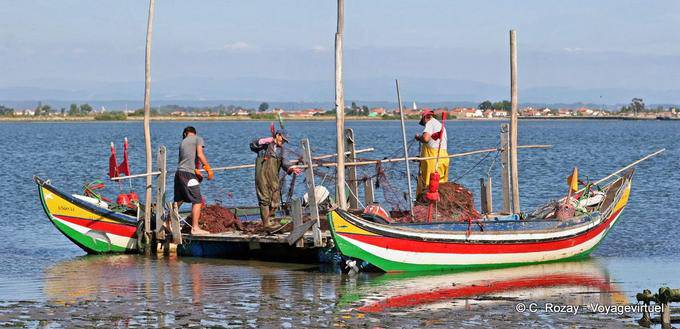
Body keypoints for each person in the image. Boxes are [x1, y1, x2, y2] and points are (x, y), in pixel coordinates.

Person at [250, 130, 302, 229]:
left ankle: (271, 220)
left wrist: (291, 168)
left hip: (274, 178)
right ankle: (266, 224)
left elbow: (285, 162)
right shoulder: (263, 147)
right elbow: (252, 146)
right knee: (264, 200)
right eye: (282, 139)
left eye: (285, 141)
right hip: (262, 177)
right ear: (277, 135)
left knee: (275, 202)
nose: (283, 142)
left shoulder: (281, 150)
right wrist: (261, 141)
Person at [174, 126, 214, 235]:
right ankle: (195, 228)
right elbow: (200, 155)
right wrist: (208, 168)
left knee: (179, 200)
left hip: (179, 173)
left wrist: (197, 172)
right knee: (197, 200)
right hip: (188, 174)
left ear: (185, 133)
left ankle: (168, 222)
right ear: (193, 133)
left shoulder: (182, 143)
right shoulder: (197, 138)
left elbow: (186, 160)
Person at [414, 109, 449, 196]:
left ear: (425, 118)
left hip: (433, 160)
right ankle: (439, 206)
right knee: (440, 186)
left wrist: (419, 138)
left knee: (429, 186)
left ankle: (426, 206)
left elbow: (426, 138)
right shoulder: (440, 125)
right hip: (443, 158)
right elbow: (434, 144)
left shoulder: (430, 123)